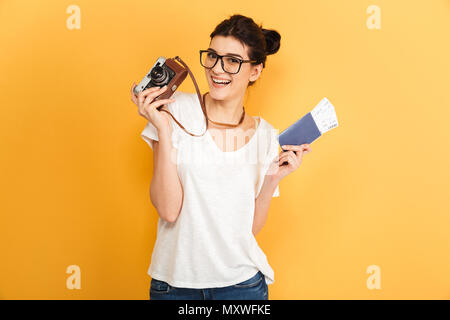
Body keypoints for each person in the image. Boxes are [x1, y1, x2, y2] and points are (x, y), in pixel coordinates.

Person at [130, 14, 312, 300]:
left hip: (241, 286)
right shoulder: (173, 110)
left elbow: (246, 230)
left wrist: (271, 180)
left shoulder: (266, 135)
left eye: (232, 60)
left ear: (255, 71)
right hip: (175, 285)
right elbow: (168, 210)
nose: (217, 69)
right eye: (212, 56)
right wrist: (163, 131)